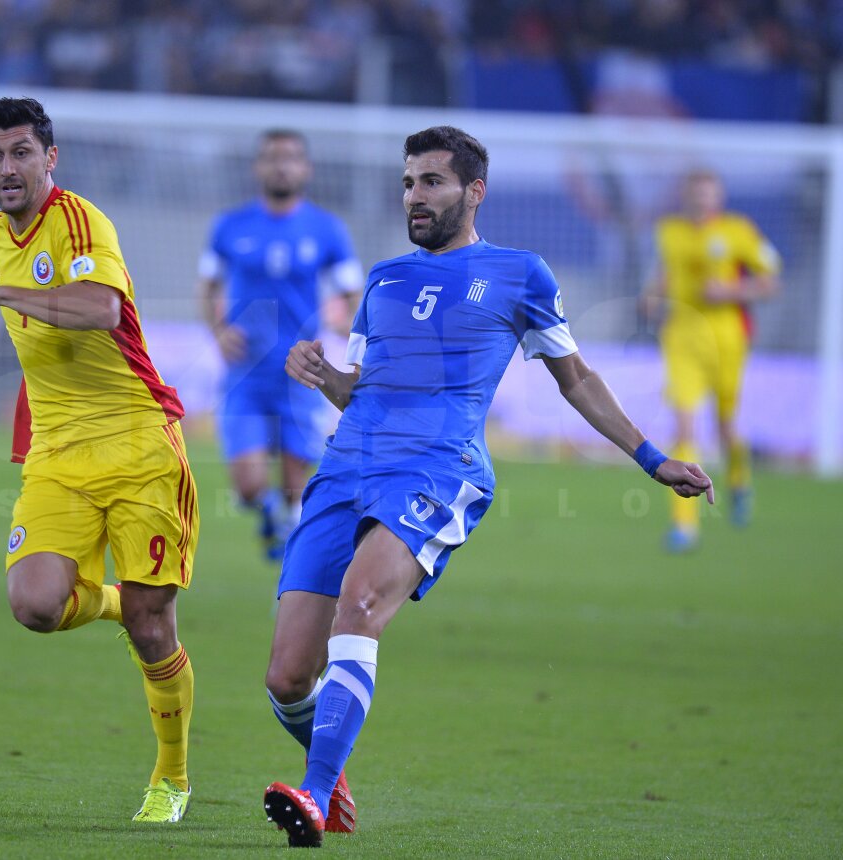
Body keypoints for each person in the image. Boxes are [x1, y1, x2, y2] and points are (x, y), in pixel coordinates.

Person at [260, 126, 715, 848]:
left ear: (474, 191)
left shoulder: (520, 272)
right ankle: (329, 767)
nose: (415, 195)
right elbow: (361, 392)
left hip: (439, 469)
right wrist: (325, 378)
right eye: (409, 181)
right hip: (346, 467)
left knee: (362, 602)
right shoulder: (381, 281)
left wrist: (651, 457)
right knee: (286, 678)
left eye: (432, 181)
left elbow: (577, 380)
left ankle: (313, 794)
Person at [0, 97, 197, 824]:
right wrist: (6, 296)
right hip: (58, 452)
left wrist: (1, 293)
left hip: (137, 443)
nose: (7, 169)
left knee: (155, 631)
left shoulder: (80, 221)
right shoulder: (0, 230)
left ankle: (171, 779)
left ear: (49, 159)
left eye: (21, 153)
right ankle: (119, 599)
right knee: (34, 606)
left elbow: (99, 310)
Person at [198, 129, 363, 561]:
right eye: (272, 157)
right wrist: (218, 330)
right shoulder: (230, 226)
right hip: (246, 372)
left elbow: (351, 295)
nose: (281, 165)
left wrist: (336, 321)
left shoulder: (327, 229)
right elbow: (208, 286)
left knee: (297, 487)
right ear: (258, 167)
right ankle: (272, 515)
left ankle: (292, 557)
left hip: (302, 373)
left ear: (305, 168)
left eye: (290, 157)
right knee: (249, 486)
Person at [643, 169, 780, 552]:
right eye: (695, 194)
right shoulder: (669, 231)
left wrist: (733, 289)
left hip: (726, 340)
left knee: (725, 426)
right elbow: (665, 273)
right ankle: (684, 525)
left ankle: (739, 479)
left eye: (708, 195)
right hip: (682, 337)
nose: (701, 201)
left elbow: (771, 280)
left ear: (718, 197)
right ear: (686, 197)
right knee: (684, 427)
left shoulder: (739, 231)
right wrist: (652, 296)